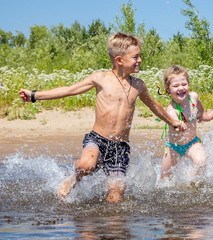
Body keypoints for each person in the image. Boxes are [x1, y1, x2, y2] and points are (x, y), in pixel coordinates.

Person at [18, 32, 185, 202]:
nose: (140, 60)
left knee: (117, 194)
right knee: (86, 165)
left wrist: (172, 121)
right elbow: (69, 90)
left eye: (139, 56)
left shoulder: (138, 85)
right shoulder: (100, 78)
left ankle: (111, 226)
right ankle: (72, 179)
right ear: (119, 60)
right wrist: (34, 95)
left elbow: (154, 105)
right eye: (135, 57)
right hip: (97, 139)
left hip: (120, 147)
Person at [159, 65, 206, 180]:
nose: (181, 88)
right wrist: (178, 125)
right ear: (168, 89)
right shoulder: (171, 109)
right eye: (175, 86)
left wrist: (200, 114)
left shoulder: (193, 97)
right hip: (173, 147)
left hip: (192, 143)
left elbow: (200, 107)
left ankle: (191, 181)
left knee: (202, 162)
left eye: (184, 84)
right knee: (164, 178)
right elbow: (174, 120)